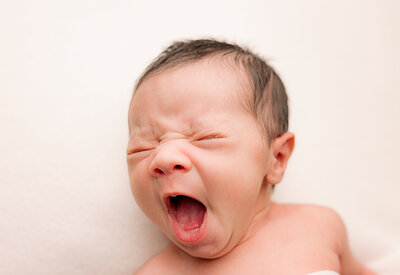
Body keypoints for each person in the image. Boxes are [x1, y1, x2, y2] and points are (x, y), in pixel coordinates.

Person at [126, 39, 376, 275]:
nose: (163, 158)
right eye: (142, 148)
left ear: (276, 158)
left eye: (205, 138)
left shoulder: (319, 227)